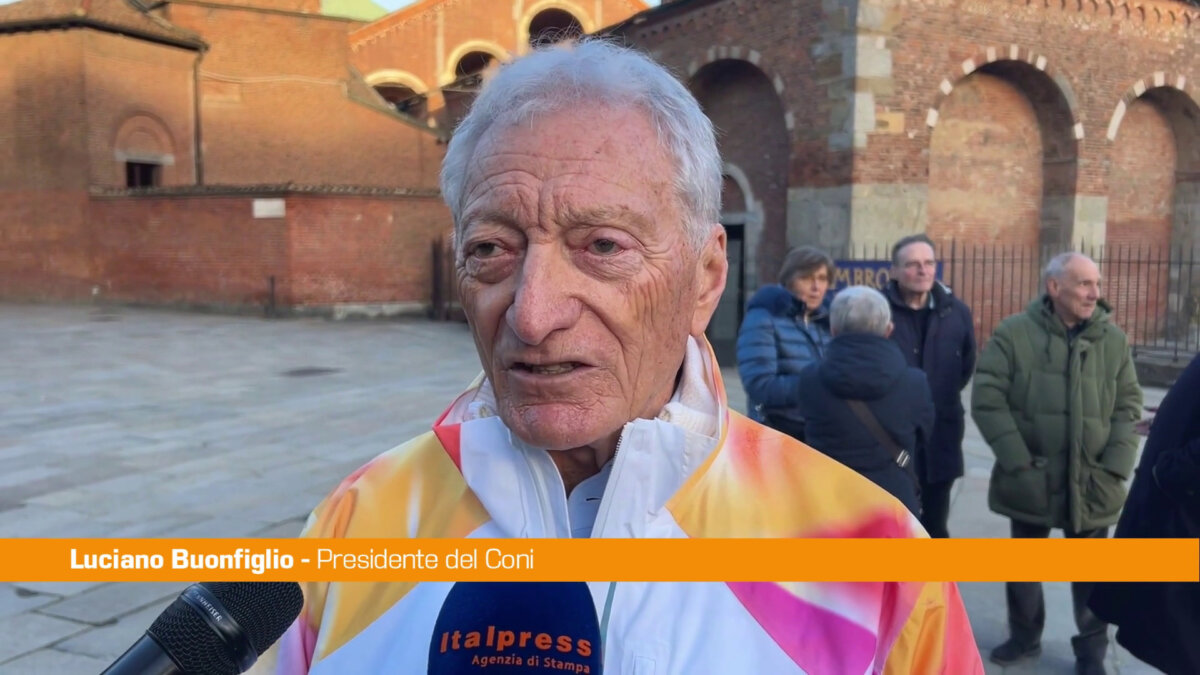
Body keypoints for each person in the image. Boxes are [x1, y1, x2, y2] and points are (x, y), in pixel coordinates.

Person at [271, 39, 983, 674]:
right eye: (490, 249)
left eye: (603, 245)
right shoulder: (352, 525)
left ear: (706, 277)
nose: (532, 314)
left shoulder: (878, 563)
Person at [971, 252, 1143, 675]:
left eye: (1097, 284)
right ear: (1054, 287)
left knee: (1091, 574)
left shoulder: (1113, 341)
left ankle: (1091, 653)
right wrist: (1018, 463)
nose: (1095, 293)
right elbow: (988, 399)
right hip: (1031, 477)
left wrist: (1114, 467)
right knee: (1025, 567)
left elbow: (1128, 406)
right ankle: (1024, 637)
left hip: (1094, 480)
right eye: (1084, 283)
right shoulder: (1013, 333)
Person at [1088, 352, 1200, 674]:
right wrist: (1174, 421)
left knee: (1184, 640)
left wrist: (1170, 470)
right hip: (1177, 510)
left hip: (1185, 514)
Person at [796, 286, 934, 515]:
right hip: (892, 503)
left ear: (833, 329)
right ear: (889, 330)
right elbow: (924, 435)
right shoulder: (915, 382)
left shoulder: (810, 379)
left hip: (829, 503)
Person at [884, 234, 976, 538]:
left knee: (935, 527)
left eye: (928, 263)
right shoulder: (880, 311)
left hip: (941, 437)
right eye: (913, 264)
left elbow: (964, 368)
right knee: (895, 529)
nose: (923, 270)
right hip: (892, 439)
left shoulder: (956, 312)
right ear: (894, 271)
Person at [735, 246, 834, 442]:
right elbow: (760, 385)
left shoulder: (826, 321)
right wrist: (817, 385)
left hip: (818, 432)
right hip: (776, 436)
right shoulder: (763, 318)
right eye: (807, 278)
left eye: (822, 279)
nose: (816, 287)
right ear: (789, 280)